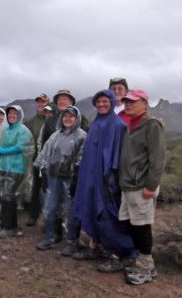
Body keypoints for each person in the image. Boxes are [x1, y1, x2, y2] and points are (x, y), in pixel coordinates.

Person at [72, 90, 136, 270]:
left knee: (109, 214)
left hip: (107, 179)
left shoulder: (117, 124)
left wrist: (111, 177)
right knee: (92, 210)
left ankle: (117, 256)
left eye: (105, 101)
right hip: (91, 177)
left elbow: (119, 154)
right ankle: (94, 247)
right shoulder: (95, 123)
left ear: (112, 102)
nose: (101, 104)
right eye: (98, 101)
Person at [118, 89, 165, 285]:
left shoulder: (151, 125)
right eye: (127, 101)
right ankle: (146, 264)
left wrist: (150, 185)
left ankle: (145, 270)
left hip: (141, 186)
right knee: (132, 225)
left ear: (145, 103)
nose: (129, 104)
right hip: (128, 186)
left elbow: (158, 158)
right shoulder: (130, 124)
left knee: (142, 227)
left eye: (134, 102)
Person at [34, 106, 86, 254]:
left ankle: (71, 241)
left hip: (70, 180)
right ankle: (49, 237)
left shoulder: (82, 136)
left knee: (71, 210)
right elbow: (45, 154)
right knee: (50, 208)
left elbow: (82, 158)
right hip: (53, 178)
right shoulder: (55, 136)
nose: (68, 119)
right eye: (65, 116)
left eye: (71, 116)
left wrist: (76, 176)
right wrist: (42, 172)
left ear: (76, 119)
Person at [0, 105, 34, 238]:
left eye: (15, 113)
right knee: (8, 196)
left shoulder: (23, 130)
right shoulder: (7, 130)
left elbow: (21, 147)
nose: (12, 116)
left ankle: (7, 227)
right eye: (9, 114)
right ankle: (12, 226)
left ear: (20, 115)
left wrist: (2, 150)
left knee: (8, 196)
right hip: (4, 166)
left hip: (16, 167)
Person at [24, 94, 49, 227]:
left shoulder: (51, 120)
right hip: (35, 159)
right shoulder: (30, 122)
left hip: (49, 161)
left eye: (43, 102)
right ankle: (33, 216)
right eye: (39, 102)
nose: (41, 104)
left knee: (47, 190)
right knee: (35, 188)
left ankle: (47, 218)